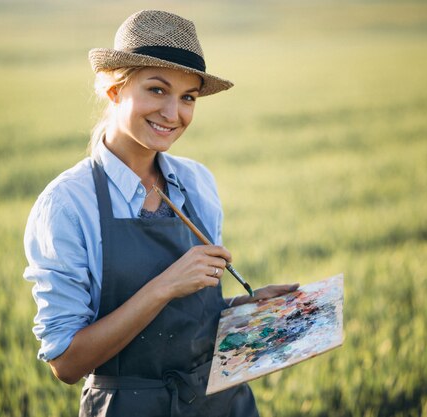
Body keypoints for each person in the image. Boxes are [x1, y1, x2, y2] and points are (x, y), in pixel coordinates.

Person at [23, 9, 299, 417]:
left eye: (188, 97)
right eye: (157, 90)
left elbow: (190, 320)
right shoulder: (67, 204)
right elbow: (66, 362)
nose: (174, 113)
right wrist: (165, 285)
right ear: (113, 90)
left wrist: (245, 311)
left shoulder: (198, 182)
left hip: (223, 405)